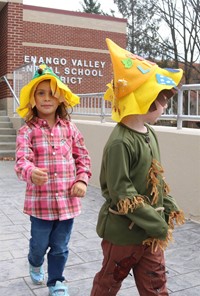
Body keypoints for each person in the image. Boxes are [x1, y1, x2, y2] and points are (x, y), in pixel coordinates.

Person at [90, 38, 185, 296]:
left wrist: (168, 205)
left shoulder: (150, 133)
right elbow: (122, 193)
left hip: (150, 236)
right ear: (142, 99)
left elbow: (155, 177)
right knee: (108, 284)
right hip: (123, 236)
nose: (165, 106)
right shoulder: (120, 143)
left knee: (156, 285)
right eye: (161, 99)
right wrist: (157, 222)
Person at [15, 64, 91, 296]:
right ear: (32, 99)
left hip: (68, 204)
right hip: (41, 205)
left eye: (52, 93)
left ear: (61, 99)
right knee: (39, 245)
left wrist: (82, 181)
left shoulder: (70, 128)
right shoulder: (27, 131)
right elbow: (20, 161)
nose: (47, 98)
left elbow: (83, 157)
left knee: (60, 247)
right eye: (41, 93)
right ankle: (35, 261)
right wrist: (30, 172)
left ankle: (56, 281)